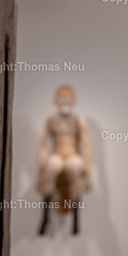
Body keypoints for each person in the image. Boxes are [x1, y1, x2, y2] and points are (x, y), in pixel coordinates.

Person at [36, 85, 91, 234]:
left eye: (67, 100)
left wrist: (88, 174)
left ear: (73, 101)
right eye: (61, 100)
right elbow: (43, 146)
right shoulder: (51, 121)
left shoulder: (78, 121)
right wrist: (40, 174)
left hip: (73, 155)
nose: (64, 103)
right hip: (58, 154)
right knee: (52, 166)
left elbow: (85, 146)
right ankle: (45, 218)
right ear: (56, 101)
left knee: (74, 166)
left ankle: (76, 220)